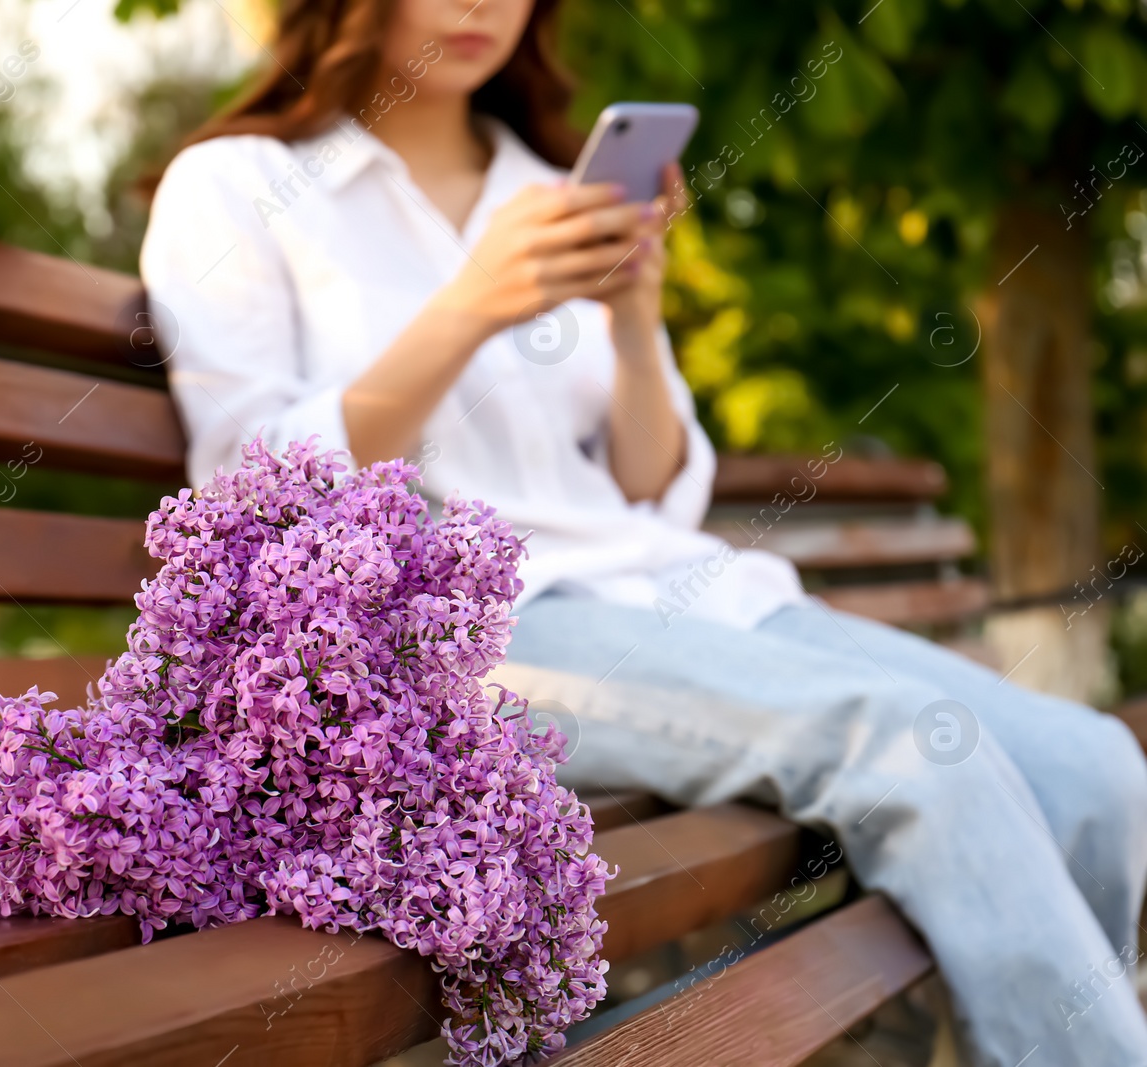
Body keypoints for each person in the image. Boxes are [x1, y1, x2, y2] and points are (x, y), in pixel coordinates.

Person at [138, 1, 1147, 1063]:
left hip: (665, 588)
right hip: (459, 632)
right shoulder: (241, 185)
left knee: (1094, 767)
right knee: (908, 746)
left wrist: (632, 316)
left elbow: (655, 488)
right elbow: (252, 494)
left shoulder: (550, 190)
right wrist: (467, 309)